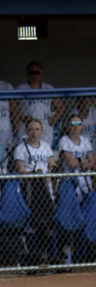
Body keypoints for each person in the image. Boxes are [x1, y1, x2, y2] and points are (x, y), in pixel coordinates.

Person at [14, 119, 57, 263]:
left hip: (46, 189)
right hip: (31, 189)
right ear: (26, 131)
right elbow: (20, 168)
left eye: (37, 129)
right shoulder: (21, 147)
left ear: (41, 131)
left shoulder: (45, 146)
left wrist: (51, 173)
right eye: (31, 129)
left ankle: (49, 255)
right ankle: (33, 255)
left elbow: (52, 164)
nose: (34, 132)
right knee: (33, 221)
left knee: (48, 221)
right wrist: (33, 174)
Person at [58, 113, 95, 264]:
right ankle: (68, 259)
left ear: (82, 126)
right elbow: (71, 163)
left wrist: (82, 161)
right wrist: (85, 161)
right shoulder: (64, 141)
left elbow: (93, 162)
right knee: (70, 220)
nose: (75, 127)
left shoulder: (86, 141)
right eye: (72, 124)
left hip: (85, 183)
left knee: (85, 218)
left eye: (78, 124)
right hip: (70, 183)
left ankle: (83, 256)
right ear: (68, 127)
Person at [15, 61, 64, 146]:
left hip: (45, 128)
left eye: (37, 72)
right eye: (31, 73)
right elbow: (12, 108)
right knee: (26, 153)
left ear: (42, 74)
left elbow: (61, 107)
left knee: (44, 154)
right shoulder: (21, 88)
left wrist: (54, 118)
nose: (34, 75)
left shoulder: (48, 88)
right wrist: (22, 117)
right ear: (27, 74)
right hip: (27, 128)